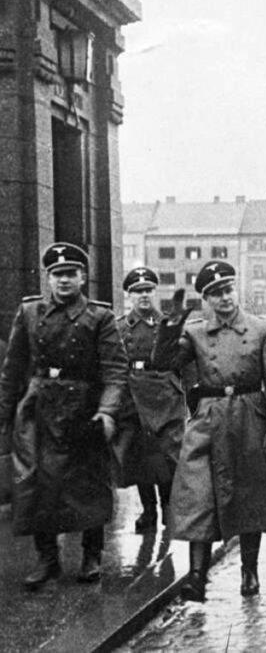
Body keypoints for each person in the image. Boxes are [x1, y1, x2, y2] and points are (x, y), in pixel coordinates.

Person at [152, 260, 266, 601]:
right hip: (207, 420)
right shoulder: (195, 331)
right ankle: (197, 577)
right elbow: (165, 362)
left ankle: (249, 569)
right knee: (198, 496)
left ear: (236, 290)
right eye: (215, 294)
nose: (224, 298)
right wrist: (170, 325)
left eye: (227, 290)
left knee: (250, 498)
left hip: (249, 418)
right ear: (207, 300)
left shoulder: (262, 328)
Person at [0, 243, 129, 590]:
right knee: (37, 484)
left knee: (88, 483)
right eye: (57, 274)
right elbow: (12, 369)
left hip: (83, 409)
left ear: (83, 277)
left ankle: (91, 553)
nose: (64, 281)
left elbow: (116, 371)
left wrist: (106, 412)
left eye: (71, 273)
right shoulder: (29, 313)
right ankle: (47, 558)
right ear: (48, 278)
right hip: (39, 407)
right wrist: (6, 413)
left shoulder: (100, 317)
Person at [113, 267, 187, 533]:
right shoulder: (120, 327)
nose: (143, 296)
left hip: (163, 394)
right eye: (137, 291)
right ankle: (149, 511)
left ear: (154, 293)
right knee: (141, 456)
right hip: (132, 393)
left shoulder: (168, 324)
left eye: (147, 290)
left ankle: (168, 506)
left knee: (167, 455)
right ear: (129, 295)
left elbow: (181, 359)